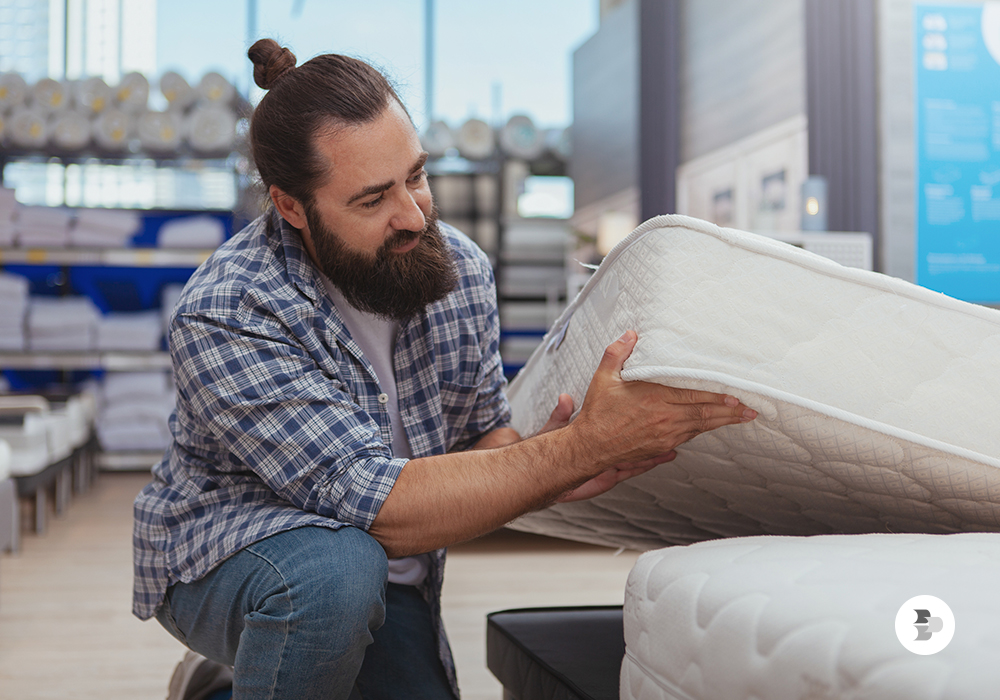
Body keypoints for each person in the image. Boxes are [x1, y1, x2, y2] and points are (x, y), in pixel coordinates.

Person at [133, 38, 758, 700]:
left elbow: (482, 433)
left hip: (389, 567)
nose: (413, 215)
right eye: (373, 200)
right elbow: (377, 509)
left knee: (355, 591)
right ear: (293, 209)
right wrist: (576, 450)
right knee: (332, 577)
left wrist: (559, 454)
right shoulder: (230, 309)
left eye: (417, 176)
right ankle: (227, 672)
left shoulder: (458, 271)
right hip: (228, 548)